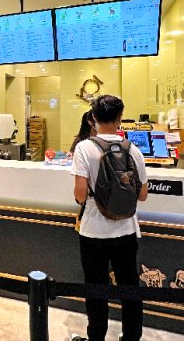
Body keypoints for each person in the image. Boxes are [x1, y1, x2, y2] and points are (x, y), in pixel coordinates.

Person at [70, 95, 148, 341]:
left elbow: (80, 195)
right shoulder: (132, 149)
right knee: (129, 287)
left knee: (96, 288)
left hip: (94, 231)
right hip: (126, 230)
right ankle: (132, 336)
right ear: (120, 117)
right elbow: (143, 195)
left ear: (93, 117)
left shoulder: (84, 148)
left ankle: (96, 337)